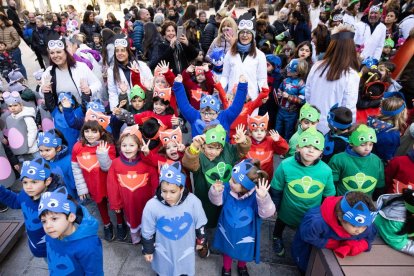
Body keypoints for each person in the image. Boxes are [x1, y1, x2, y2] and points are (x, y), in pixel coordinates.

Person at [271, 127, 336, 256]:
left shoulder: (326, 170)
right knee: (281, 221)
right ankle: (276, 237)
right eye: (307, 146)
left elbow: (329, 194)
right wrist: (275, 206)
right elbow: (277, 188)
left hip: (311, 211)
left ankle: (302, 246)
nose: (311, 150)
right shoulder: (286, 165)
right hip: (287, 208)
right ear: (299, 147)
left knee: (305, 231)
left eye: (316, 148)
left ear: (321, 152)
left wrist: (324, 213)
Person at [209, 159, 275, 276]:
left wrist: (263, 198)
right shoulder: (227, 188)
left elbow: (267, 213)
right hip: (227, 230)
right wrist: (215, 192)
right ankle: (226, 268)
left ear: (245, 187)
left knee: (244, 250)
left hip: (246, 233)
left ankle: (241, 266)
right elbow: (217, 202)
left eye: (234, 181)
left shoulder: (257, 196)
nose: (229, 182)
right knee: (227, 249)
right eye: (231, 178)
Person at [142, 162, 208, 275]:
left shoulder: (193, 202)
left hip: (185, 248)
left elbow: (200, 223)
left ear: (181, 189)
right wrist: (148, 250)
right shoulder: (152, 205)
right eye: (164, 191)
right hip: (163, 249)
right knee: (164, 269)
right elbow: (147, 231)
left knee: (184, 268)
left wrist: (201, 240)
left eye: (173, 192)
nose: (167, 196)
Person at [182, 124, 252, 228]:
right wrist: (194, 147)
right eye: (210, 147)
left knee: (224, 216)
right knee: (206, 218)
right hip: (205, 196)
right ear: (203, 145)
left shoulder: (228, 151)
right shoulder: (199, 156)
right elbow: (189, 164)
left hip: (226, 194)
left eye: (218, 149)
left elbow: (241, 151)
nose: (213, 152)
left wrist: (243, 142)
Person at [292, 191, 377, 272]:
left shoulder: (364, 223)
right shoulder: (317, 222)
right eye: (354, 225)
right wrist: (330, 243)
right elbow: (307, 235)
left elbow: (370, 235)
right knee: (305, 267)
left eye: (365, 226)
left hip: (341, 261)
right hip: (307, 250)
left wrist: (357, 245)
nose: (359, 231)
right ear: (340, 217)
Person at [71, 120, 125, 241]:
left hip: (109, 182)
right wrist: (81, 188)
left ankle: (121, 223)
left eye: (94, 131)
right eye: (87, 131)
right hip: (94, 184)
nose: (90, 134)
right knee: (100, 204)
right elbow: (76, 168)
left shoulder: (108, 145)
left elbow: (108, 167)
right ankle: (107, 224)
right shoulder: (77, 147)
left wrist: (102, 154)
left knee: (116, 203)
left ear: (101, 132)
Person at [0, 158, 61, 258]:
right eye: (25, 182)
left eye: (34, 182)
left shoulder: (54, 202)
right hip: (36, 243)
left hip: (56, 247)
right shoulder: (24, 194)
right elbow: (15, 201)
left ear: (47, 181)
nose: (28, 187)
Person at [305, 24, 360, 134]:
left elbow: (308, 95)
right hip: (333, 130)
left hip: (311, 123)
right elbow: (349, 108)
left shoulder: (317, 66)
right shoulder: (351, 75)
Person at [38, 186, 104, 276]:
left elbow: (94, 273)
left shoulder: (88, 245)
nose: (48, 226)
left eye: (54, 219)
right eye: (44, 221)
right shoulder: (51, 235)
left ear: (71, 217)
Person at [173, 74, 247, 139]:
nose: (206, 116)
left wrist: (242, 87)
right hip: (200, 153)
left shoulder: (225, 117)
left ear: (217, 112)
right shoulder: (195, 116)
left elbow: (236, 107)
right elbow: (184, 106)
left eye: (211, 113)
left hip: (222, 153)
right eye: (203, 113)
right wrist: (178, 86)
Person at [221, 13, 267, 107]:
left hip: (251, 100)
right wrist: (219, 87)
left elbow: (262, 79)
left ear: (253, 35)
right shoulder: (230, 53)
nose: (245, 35)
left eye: (248, 32)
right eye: (242, 32)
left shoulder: (260, 55)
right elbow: (225, 76)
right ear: (238, 34)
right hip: (232, 99)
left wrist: (264, 93)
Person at [40, 38, 102, 106]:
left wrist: (89, 90)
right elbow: (43, 93)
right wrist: (43, 90)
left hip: (85, 110)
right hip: (62, 114)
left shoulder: (80, 67)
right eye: (52, 53)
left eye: (58, 52)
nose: (55, 56)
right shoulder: (48, 72)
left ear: (66, 53)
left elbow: (97, 83)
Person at [329, 124, 385, 197]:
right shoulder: (338, 159)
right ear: (351, 143)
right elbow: (331, 184)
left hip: (366, 203)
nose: (367, 148)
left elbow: (380, 184)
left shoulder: (377, 160)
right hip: (342, 202)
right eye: (363, 145)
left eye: (371, 144)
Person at [107, 35, 153, 110]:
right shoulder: (111, 71)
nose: (119, 53)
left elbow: (150, 83)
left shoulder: (141, 65)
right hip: (125, 108)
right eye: (117, 51)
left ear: (128, 52)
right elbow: (112, 93)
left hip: (143, 107)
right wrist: (115, 109)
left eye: (122, 50)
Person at [367, 92, 407, 163]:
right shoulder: (391, 135)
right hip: (376, 163)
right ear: (401, 114)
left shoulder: (372, 120)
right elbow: (387, 159)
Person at [246, 113, 289, 179]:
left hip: (267, 176)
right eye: (255, 131)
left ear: (266, 132)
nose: (259, 133)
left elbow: (283, 150)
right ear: (250, 133)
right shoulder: (247, 141)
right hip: (250, 176)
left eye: (262, 130)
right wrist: (241, 142)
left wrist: (278, 141)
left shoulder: (271, 141)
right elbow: (240, 155)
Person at [37, 129, 77, 199]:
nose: (43, 153)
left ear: (58, 148)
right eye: (41, 150)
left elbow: (74, 180)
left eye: (47, 150)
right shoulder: (42, 162)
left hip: (68, 196)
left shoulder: (68, 160)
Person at [275, 59, 308, 140]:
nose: (287, 70)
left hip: (291, 113)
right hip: (281, 110)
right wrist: (279, 94)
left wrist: (288, 96)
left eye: (290, 69)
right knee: (277, 129)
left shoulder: (301, 84)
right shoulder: (285, 80)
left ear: (297, 72)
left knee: (288, 132)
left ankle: (286, 148)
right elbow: (280, 89)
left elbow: (302, 100)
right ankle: (275, 145)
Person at [3, 91, 38, 159]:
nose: (12, 108)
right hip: (20, 150)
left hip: (32, 149)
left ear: (21, 105)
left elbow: (32, 130)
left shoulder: (26, 116)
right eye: (10, 106)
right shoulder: (10, 118)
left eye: (15, 105)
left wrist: (29, 144)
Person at [0, 14, 27, 79]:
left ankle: (25, 79)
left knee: (19, 65)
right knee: (9, 67)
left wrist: (10, 46)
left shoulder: (11, 28)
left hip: (14, 51)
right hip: (4, 52)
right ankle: (17, 81)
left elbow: (17, 40)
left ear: (2, 20)